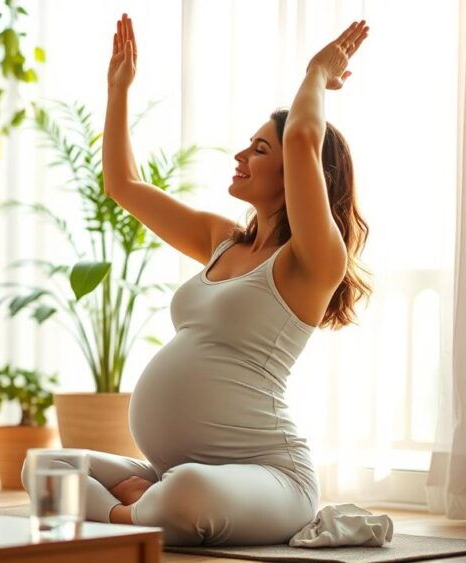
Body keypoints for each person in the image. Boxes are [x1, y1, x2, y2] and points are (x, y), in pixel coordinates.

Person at [22, 14, 372, 546]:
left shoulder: (315, 261)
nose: (240, 156)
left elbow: (303, 134)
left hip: (271, 476)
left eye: (259, 149)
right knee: (43, 466)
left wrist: (317, 72)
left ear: (300, 175)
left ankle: (126, 516)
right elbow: (123, 185)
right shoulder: (223, 239)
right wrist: (117, 90)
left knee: (185, 493)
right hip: (174, 469)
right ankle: (143, 510)